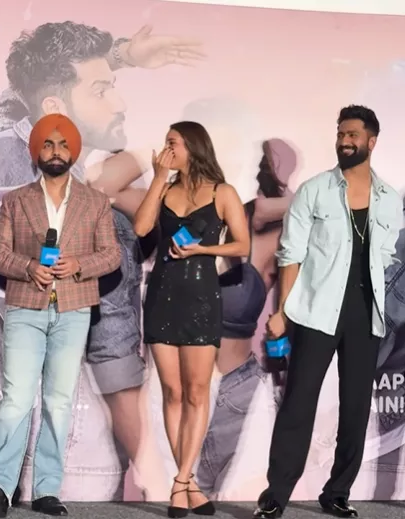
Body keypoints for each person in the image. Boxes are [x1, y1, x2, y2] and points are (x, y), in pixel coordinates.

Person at [254, 105, 403, 519]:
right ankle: (276, 494)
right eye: (340, 134)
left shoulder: (389, 200)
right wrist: (282, 311)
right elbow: (291, 254)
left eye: (352, 135)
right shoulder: (315, 190)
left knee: (355, 408)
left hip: (366, 316)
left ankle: (337, 492)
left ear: (371, 141)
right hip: (316, 311)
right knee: (298, 403)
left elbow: (387, 259)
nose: (344, 141)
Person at [0, 113, 121, 517]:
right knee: (16, 399)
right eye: (48, 143)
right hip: (24, 307)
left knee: (58, 401)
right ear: (36, 151)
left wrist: (79, 264)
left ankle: (47, 489)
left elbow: (112, 255)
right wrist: (28, 267)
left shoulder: (94, 202)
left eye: (63, 144)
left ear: (73, 151)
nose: (55, 151)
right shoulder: (16, 200)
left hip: (73, 308)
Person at [134, 121, 250, 517]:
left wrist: (203, 250)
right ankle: (189, 484)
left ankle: (180, 481)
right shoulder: (165, 189)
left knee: (197, 392)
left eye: (172, 143)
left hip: (201, 299)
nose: (166, 149)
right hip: (162, 297)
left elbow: (242, 244)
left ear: (192, 146)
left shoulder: (222, 192)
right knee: (172, 392)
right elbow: (141, 227)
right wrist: (157, 178)